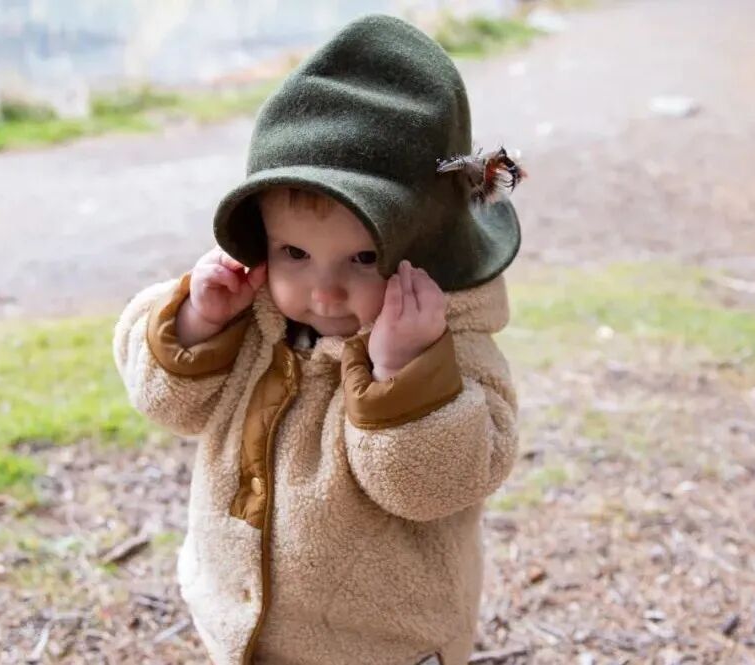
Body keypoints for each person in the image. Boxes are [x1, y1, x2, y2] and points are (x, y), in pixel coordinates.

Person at [113, 14, 521, 665]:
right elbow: (168, 405)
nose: (324, 292)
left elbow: (436, 485)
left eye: (363, 259)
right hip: (237, 620)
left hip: (387, 646)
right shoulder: (248, 310)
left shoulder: (453, 349)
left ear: (424, 252)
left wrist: (402, 371)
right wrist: (197, 322)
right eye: (295, 253)